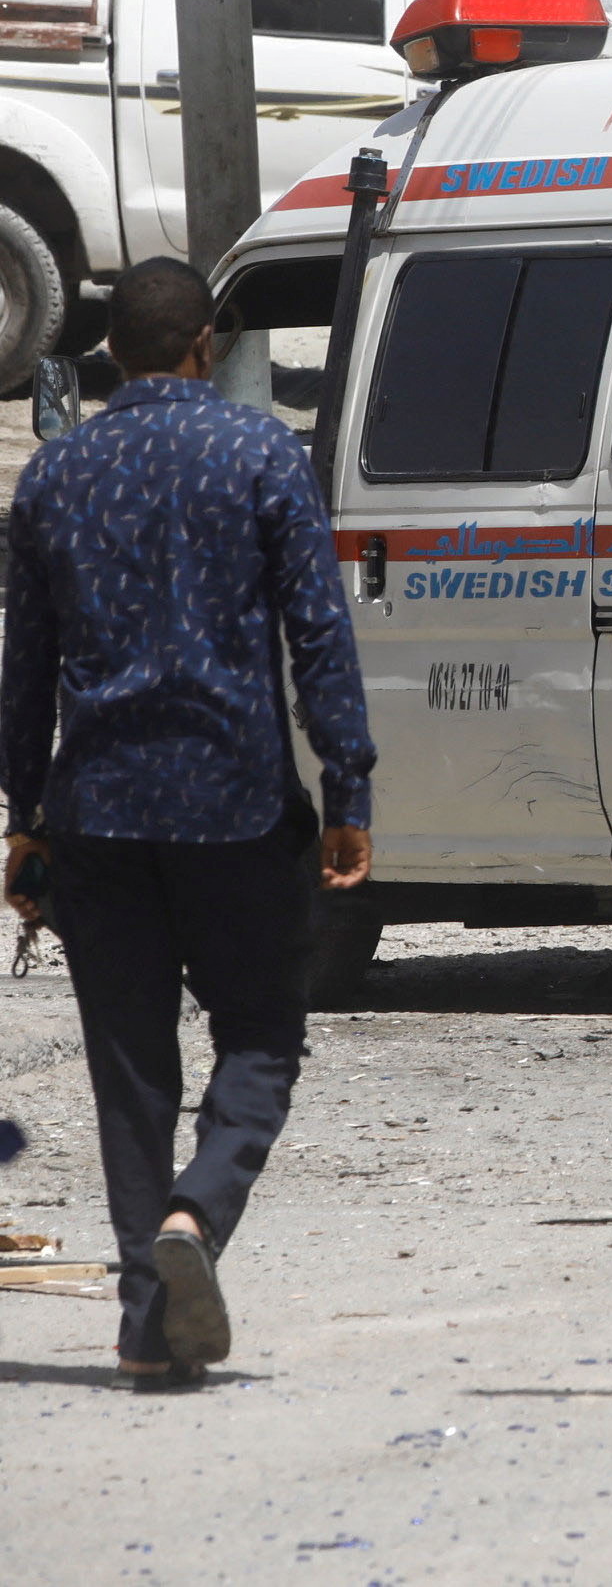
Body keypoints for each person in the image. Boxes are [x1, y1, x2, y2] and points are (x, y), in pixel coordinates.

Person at [1, 258, 377, 1389]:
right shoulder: (261, 453)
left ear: (109, 353)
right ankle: (195, 1220)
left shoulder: (55, 474)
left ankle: (143, 1325)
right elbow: (320, 635)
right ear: (206, 344)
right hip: (235, 806)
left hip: (101, 814)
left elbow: (24, 672)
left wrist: (25, 818)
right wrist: (348, 791)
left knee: (129, 1070)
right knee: (260, 1037)